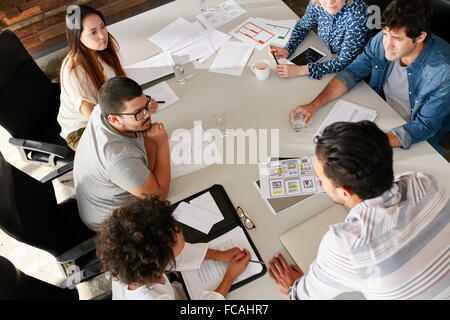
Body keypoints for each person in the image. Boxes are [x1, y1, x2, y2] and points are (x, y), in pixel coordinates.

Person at [268, 120, 450, 300]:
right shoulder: (422, 182)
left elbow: (303, 297)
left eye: (321, 178)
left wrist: (293, 287)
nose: (319, 183)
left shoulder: (346, 245)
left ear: (345, 193)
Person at [289, 0, 450, 154]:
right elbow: (352, 72)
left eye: (397, 39)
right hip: (380, 111)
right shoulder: (382, 39)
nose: (387, 44)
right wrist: (314, 105)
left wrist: (371, 143)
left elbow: (424, 126)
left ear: (420, 37)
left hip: (413, 133)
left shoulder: (443, 72)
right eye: (385, 34)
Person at [95, 197, 251, 300]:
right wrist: (229, 277)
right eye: (175, 233)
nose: (179, 230)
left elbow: (174, 256)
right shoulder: (152, 297)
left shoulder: (132, 262)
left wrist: (218, 254)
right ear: (161, 258)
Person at [74, 76, 170, 231]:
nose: (147, 115)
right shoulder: (118, 158)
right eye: (138, 113)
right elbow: (159, 197)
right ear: (114, 119)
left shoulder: (103, 108)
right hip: (112, 224)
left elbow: (145, 155)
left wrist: (143, 118)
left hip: (105, 195)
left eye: (147, 104)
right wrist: (161, 144)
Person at [57, 5, 134, 151]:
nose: (102, 35)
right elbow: (94, 116)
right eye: (93, 32)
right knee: (128, 151)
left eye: (102, 27)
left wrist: (140, 105)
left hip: (110, 113)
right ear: (78, 37)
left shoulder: (103, 49)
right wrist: (130, 120)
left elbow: (120, 84)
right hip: (82, 129)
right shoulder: (74, 70)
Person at [269, 0, 368, 80]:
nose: (330, 2)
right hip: (326, 54)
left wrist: (301, 70)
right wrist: (288, 49)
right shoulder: (316, 3)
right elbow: (303, 27)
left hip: (353, 69)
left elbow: (344, 61)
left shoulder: (357, 14)